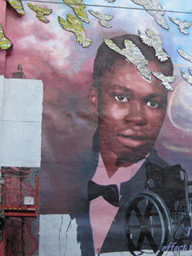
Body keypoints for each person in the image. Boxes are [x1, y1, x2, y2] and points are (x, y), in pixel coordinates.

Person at [69, 34, 174, 255]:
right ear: (94, 98)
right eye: (121, 97)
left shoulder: (173, 188)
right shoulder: (65, 178)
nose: (137, 117)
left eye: (152, 102)